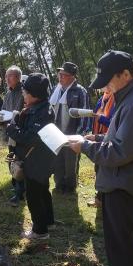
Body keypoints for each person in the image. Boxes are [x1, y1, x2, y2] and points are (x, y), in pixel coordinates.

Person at [69, 50, 133, 266]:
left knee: (123, 244)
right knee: (117, 243)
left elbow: (121, 152)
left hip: (125, 186)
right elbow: (120, 139)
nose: (105, 87)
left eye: (108, 79)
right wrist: (96, 140)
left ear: (126, 74)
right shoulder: (127, 97)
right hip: (120, 182)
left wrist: (85, 148)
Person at [6, 73, 56, 240]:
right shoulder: (36, 108)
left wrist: (12, 128)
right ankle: (48, 221)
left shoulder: (43, 112)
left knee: (34, 195)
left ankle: (40, 231)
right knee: (42, 191)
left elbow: (30, 138)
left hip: (36, 161)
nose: (23, 95)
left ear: (35, 95)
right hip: (38, 160)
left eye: (26, 93)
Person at [50, 62, 90, 193]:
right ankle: (59, 184)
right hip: (56, 133)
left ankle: (70, 187)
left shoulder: (80, 91)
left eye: (63, 75)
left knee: (70, 162)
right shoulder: (56, 90)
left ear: (72, 76)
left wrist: (79, 136)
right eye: (59, 74)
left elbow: (84, 115)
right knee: (57, 160)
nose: (60, 77)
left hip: (72, 134)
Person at [0, 66, 25, 206]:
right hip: (9, 130)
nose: (7, 79)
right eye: (6, 76)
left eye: (10, 76)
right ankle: (16, 187)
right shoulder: (8, 93)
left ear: (18, 78)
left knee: (19, 161)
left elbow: (22, 113)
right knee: (11, 158)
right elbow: (3, 110)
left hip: (20, 132)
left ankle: (20, 192)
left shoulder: (24, 92)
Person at [87, 89, 115, 207]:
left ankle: (102, 200)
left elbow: (114, 123)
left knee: (104, 171)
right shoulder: (102, 98)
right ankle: (99, 198)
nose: (105, 87)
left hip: (108, 140)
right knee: (98, 169)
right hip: (97, 137)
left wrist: (101, 118)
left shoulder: (116, 99)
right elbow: (94, 114)